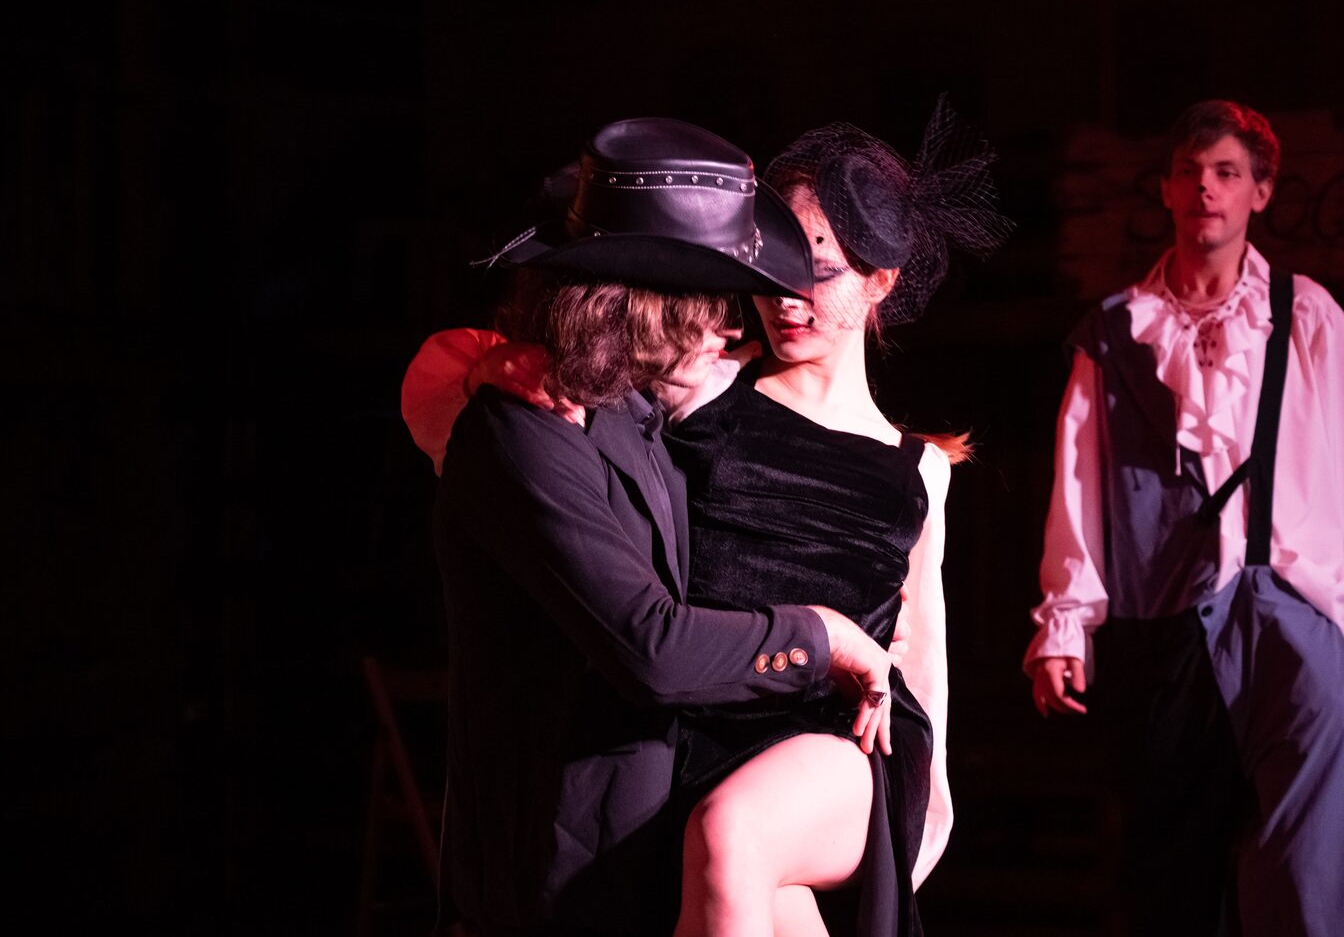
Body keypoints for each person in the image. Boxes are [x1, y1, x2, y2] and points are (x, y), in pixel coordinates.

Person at [407, 101, 1009, 936]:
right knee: (743, 868)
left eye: (824, 271)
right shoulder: (701, 387)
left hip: (833, 739)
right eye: (777, 272)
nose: (792, 297)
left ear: (882, 281)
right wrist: (485, 367)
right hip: (706, 736)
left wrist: (921, 822)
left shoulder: (918, 468)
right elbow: (475, 380)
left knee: (736, 833)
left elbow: (919, 670)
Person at [1023, 99, 1344, 937]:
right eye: (1189, 172)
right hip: (1167, 626)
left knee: (1310, 876)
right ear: (1165, 190)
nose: (1206, 188)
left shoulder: (1304, 313)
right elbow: (1079, 484)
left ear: (1262, 191)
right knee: (1173, 879)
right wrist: (1068, 622)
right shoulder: (1116, 332)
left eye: (1226, 172)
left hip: (1295, 618)